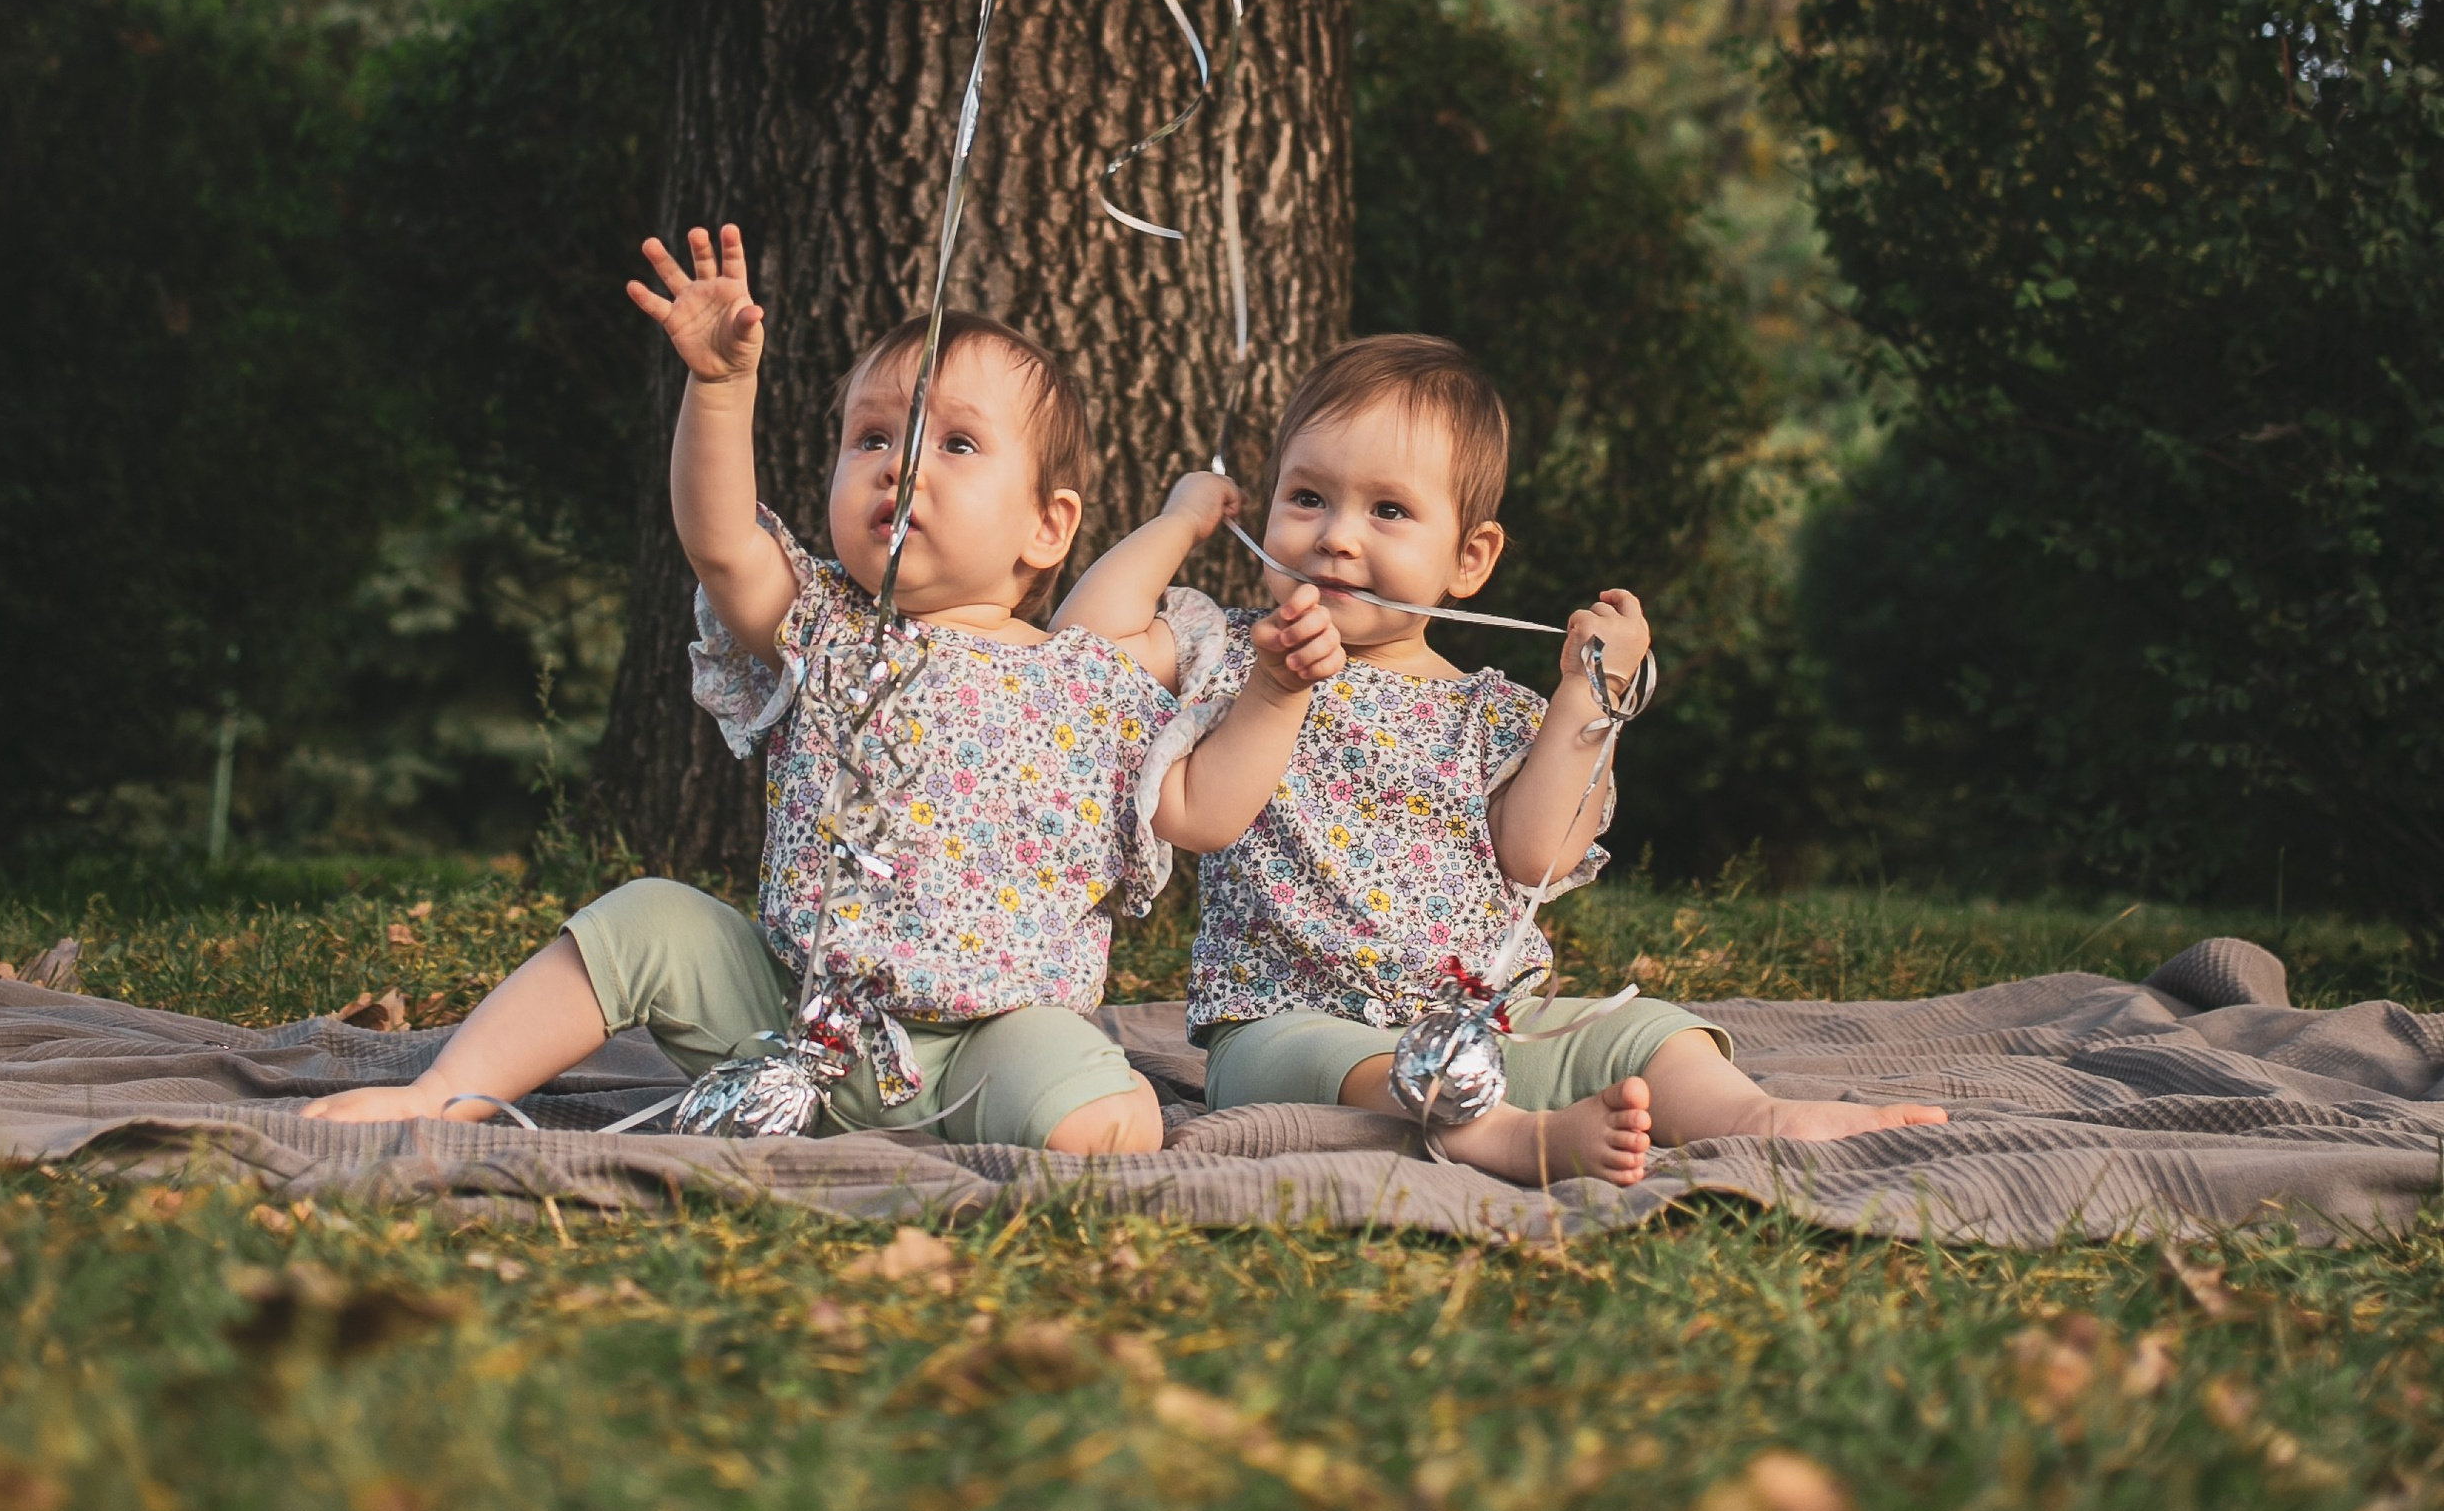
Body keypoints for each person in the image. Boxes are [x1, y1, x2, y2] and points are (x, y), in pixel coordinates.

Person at [307, 226, 1342, 1154]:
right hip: (787, 1008)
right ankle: (444, 1091)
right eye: (874, 436)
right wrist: (719, 389)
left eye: (957, 442)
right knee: (644, 918)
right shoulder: (829, 623)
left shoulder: (1086, 676)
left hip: (987, 1037)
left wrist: (1276, 694)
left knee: (1102, 1116)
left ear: (1047, 526)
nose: (904, 466)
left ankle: (1044, 1123)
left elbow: (1204, 812)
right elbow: (720, 544)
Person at [1056, 332, 1948, 1185]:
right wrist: (1178, 523)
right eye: (1307, 497)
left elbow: (1541, 854)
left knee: (1649, 1032)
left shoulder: (1490, 711)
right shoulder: (1231, 647)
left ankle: (1754, 1117)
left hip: (1490, 1022)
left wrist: (1589, 698)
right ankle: (1501, 1133)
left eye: (1389, 510)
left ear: (1469, 558)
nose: (1336, 535)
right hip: (1293, 1021)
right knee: (1316, 1060)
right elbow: (1081, 646)